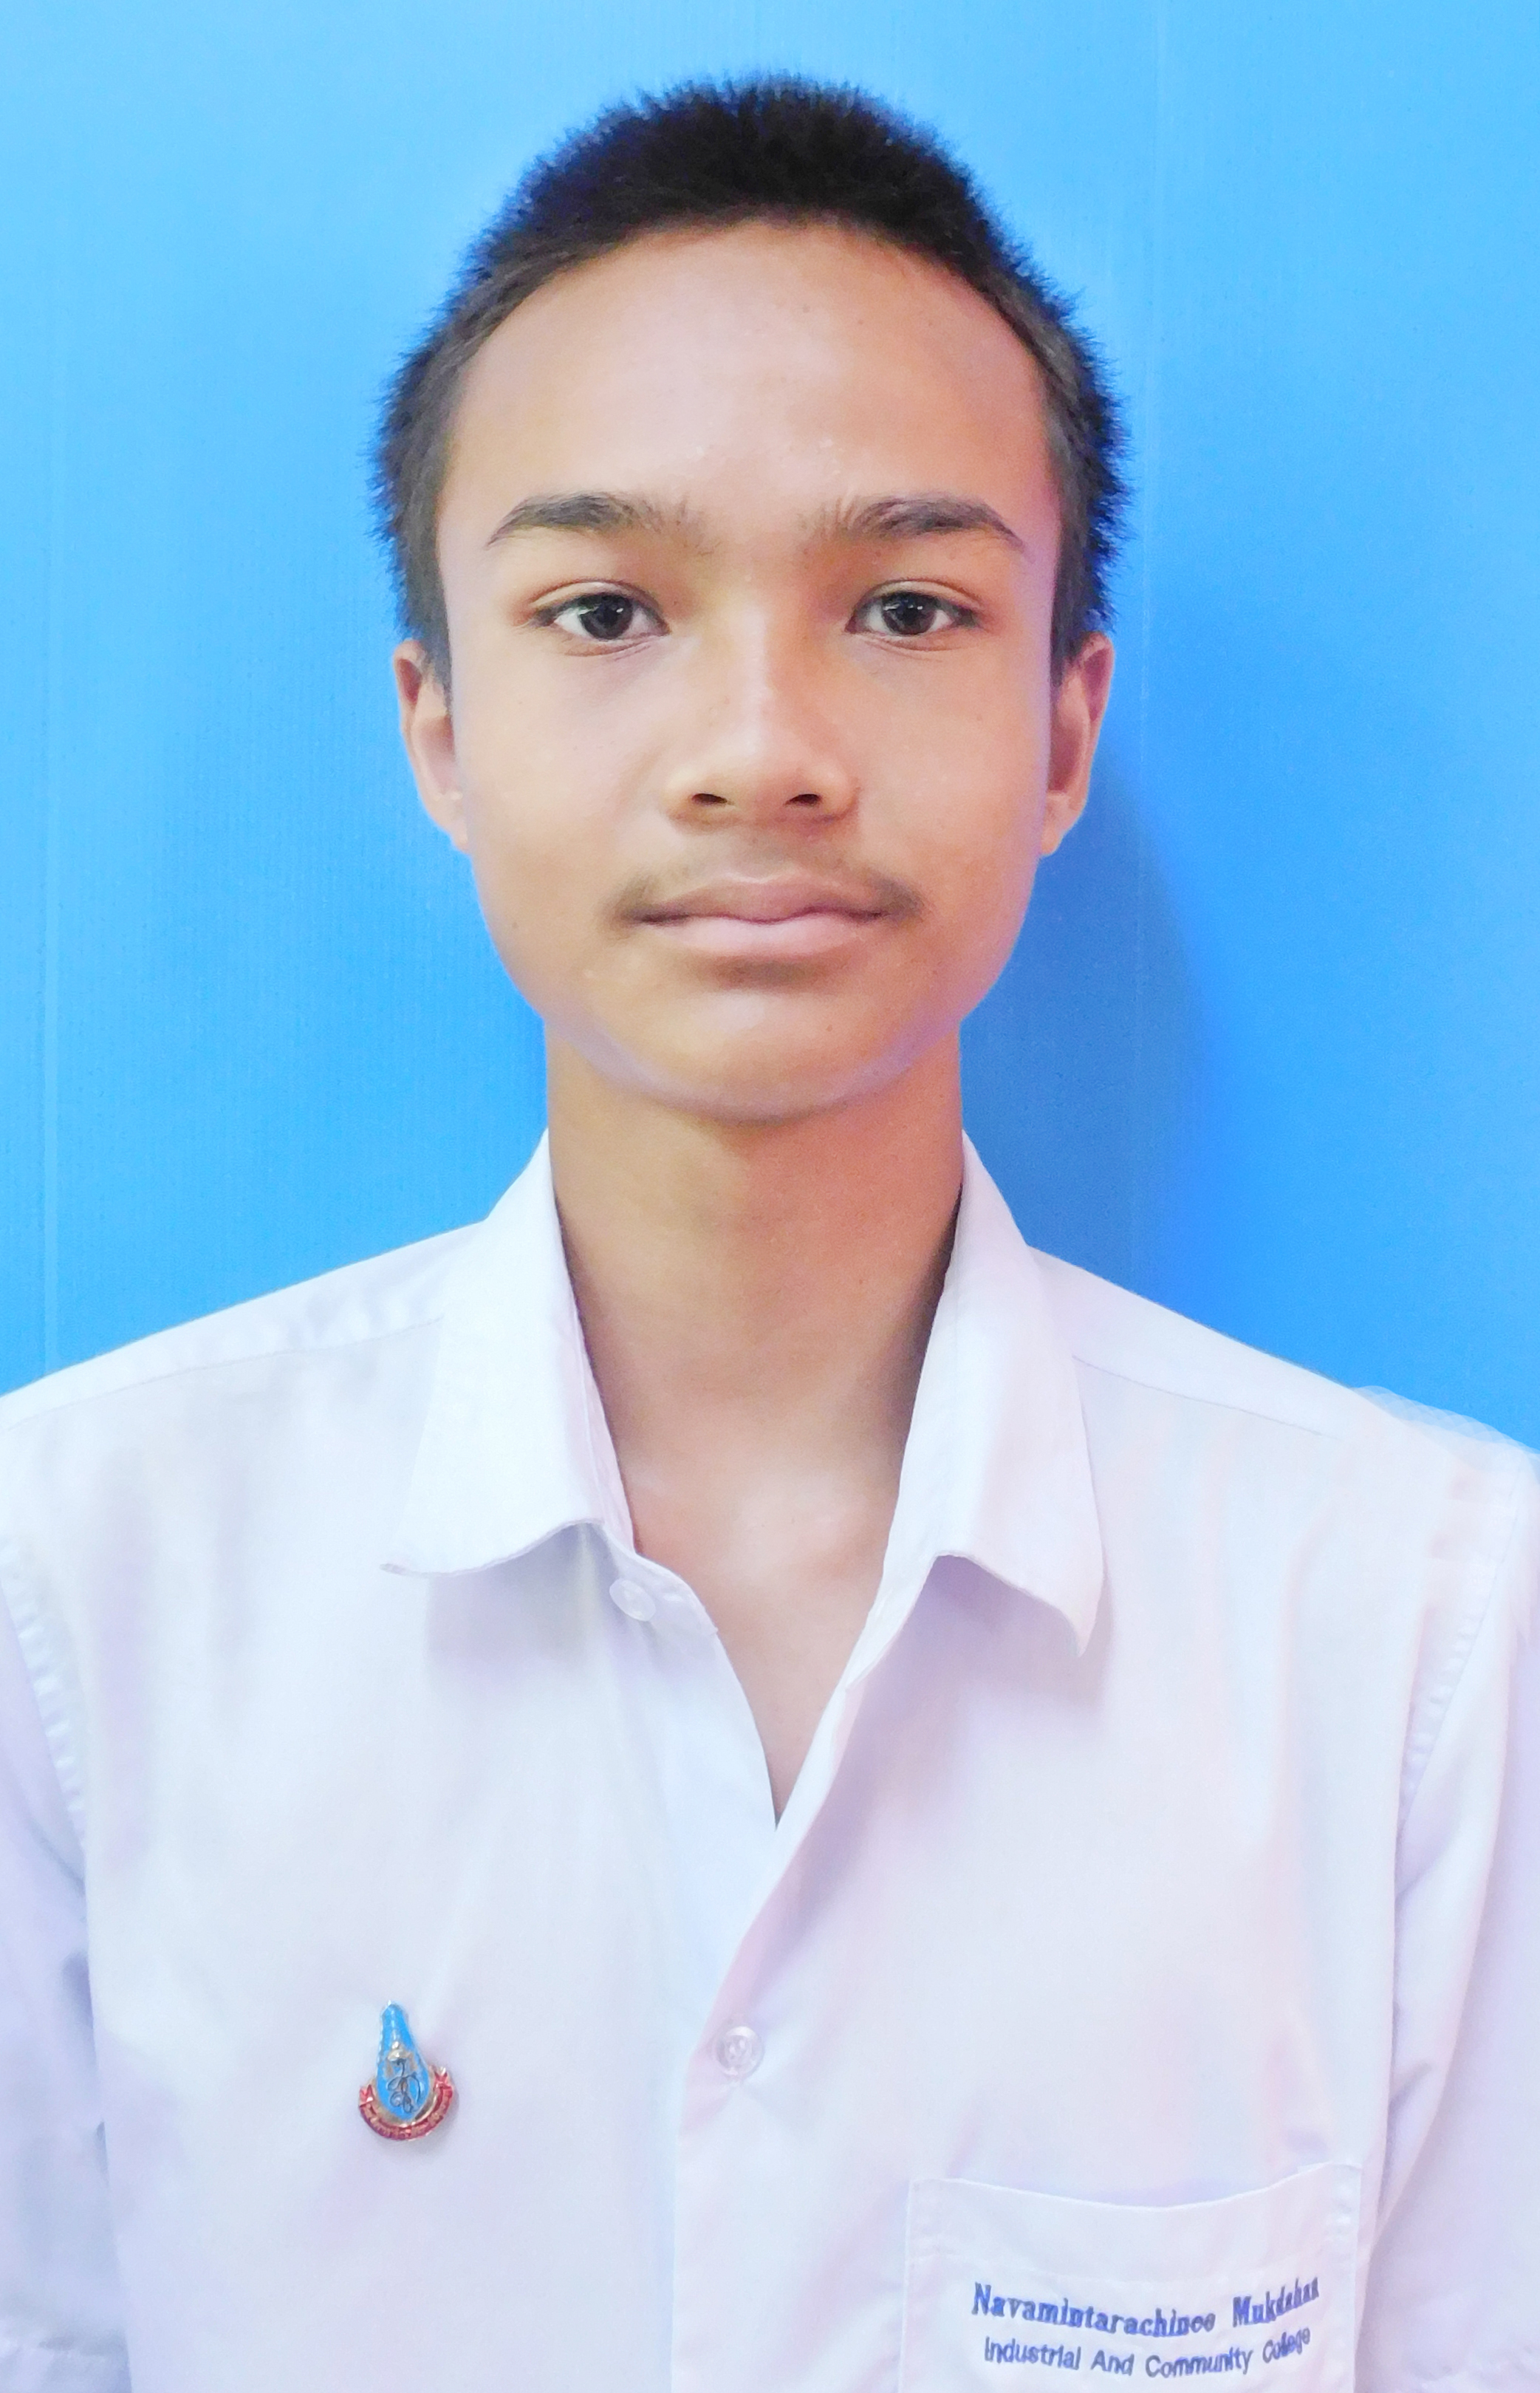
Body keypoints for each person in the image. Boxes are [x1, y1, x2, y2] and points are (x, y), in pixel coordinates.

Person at [0, 77, 1534, 2393]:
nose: (759, 749)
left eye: (906, 607)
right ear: (439, 728)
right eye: (605, 609)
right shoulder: (74, 1591)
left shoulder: (1429, 1629)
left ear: (1063, 731)